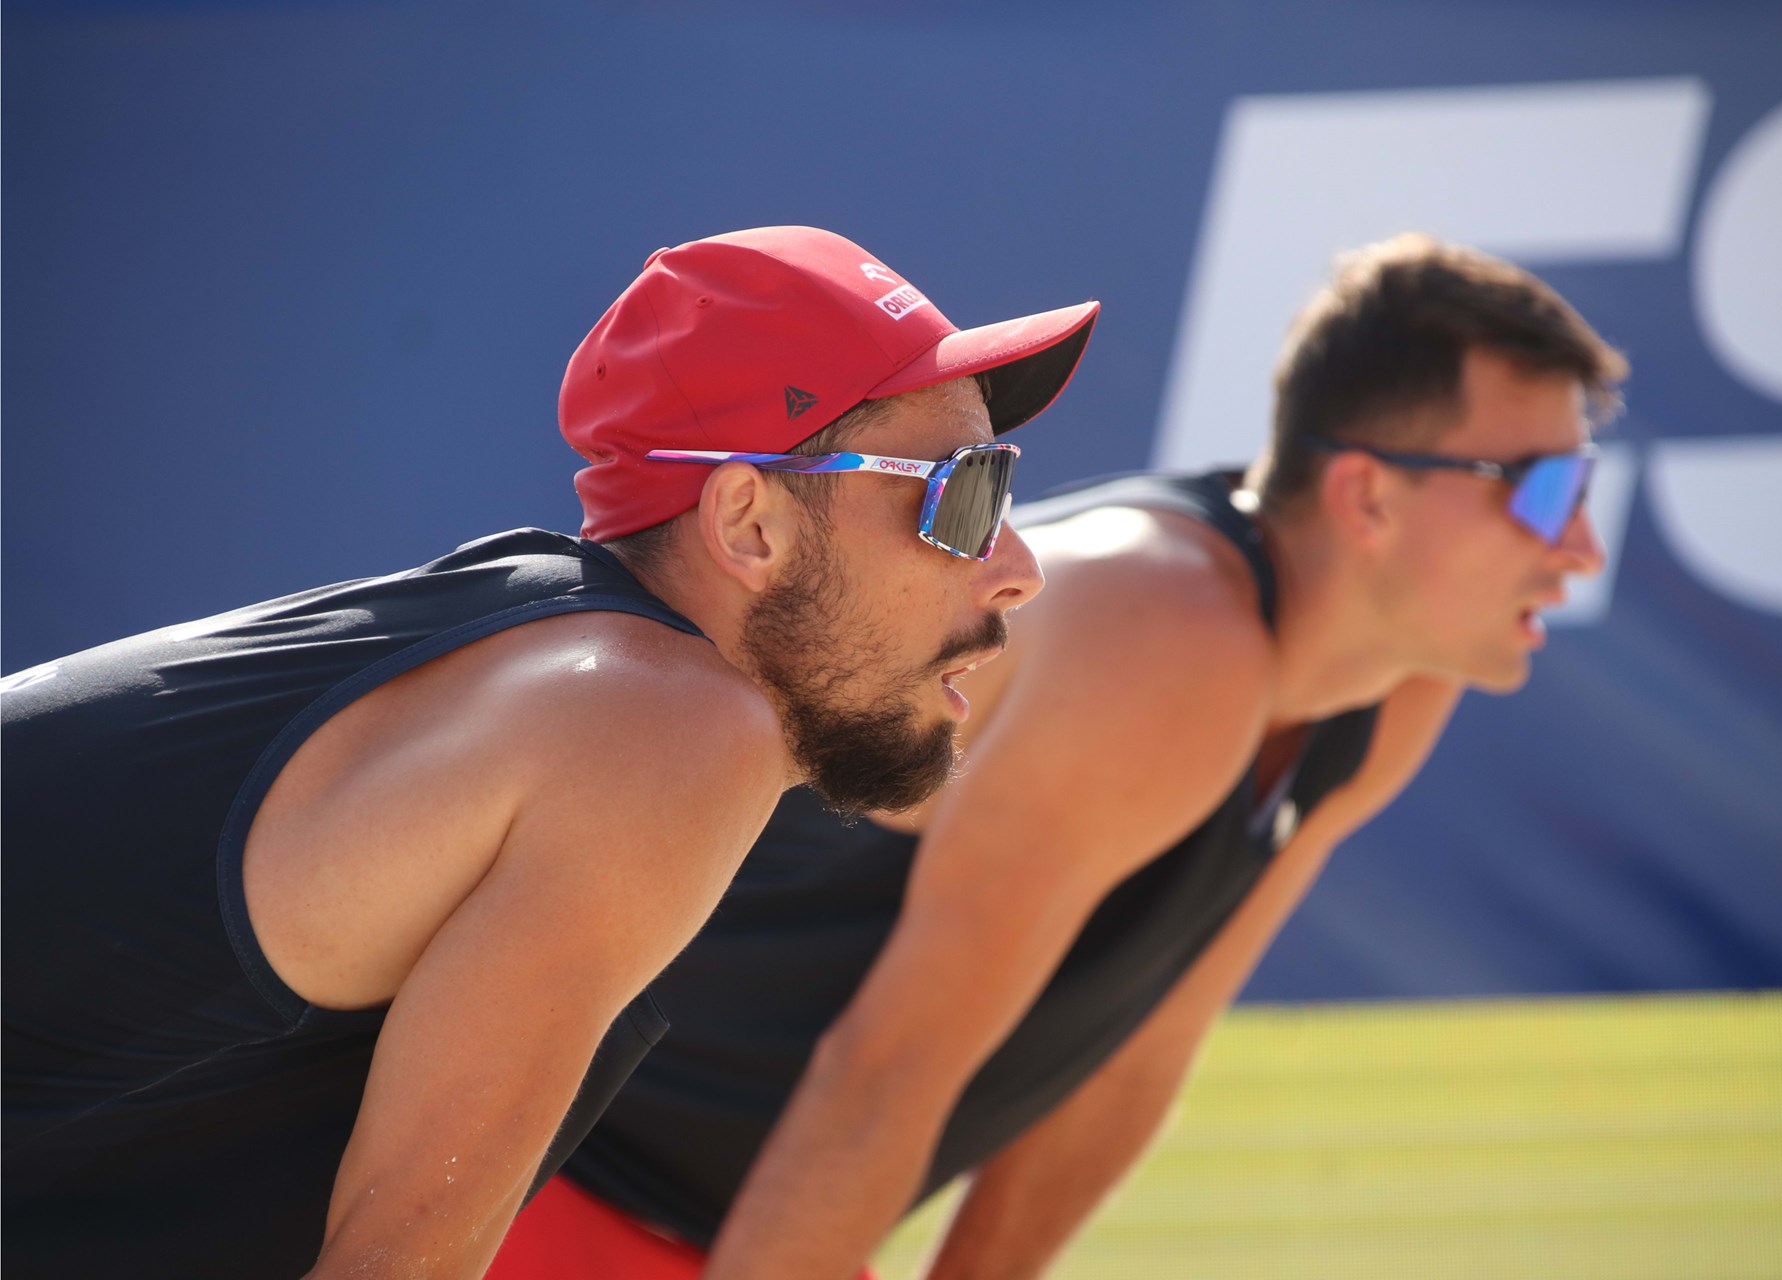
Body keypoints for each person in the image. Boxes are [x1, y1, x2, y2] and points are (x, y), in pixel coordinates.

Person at [485, 233, 1628, 1280]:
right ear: (1367, 493)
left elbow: (1130, 1050)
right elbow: (879, 1079)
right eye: (1542, 489)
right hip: (536, 1187)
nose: (1581, 544)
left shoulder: (1397, 684)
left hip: (719, 1220)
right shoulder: (1169, 635)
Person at [0, 225, 1098, 1280]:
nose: (1020, 568)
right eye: (964, 497)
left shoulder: (560, 667)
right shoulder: (657, 721)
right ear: (749, 523)